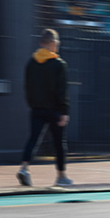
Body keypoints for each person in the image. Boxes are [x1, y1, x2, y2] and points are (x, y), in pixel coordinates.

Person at [18, 29, 71, 187]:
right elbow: (62, 91)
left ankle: (24, 168)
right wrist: (64, 112)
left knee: (33, 138)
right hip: (54, 110)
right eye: (57, 43)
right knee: (59, 143)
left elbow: (27, 86)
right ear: (53, 43)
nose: (58, 46)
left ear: (42, 43)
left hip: (36, 109)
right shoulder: (59, 64)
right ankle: (61, 176)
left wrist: (32, 104)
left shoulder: (31, 62)